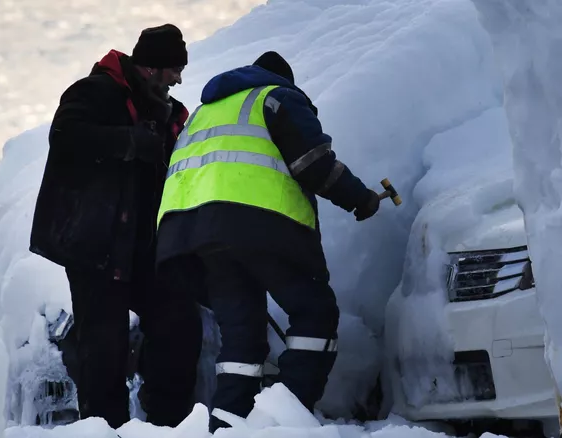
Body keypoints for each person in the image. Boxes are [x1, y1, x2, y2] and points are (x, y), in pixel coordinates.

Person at [155, 51, 380, 430]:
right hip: (259, 223)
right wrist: (361, 198)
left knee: (241, 335)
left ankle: (228, 425)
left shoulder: (204, 112)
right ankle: (285, 419)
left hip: (194, 235)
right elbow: (313, 163)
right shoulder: (277, 97)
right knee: (314, 313)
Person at [29, 24, 190, 428]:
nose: (178, 79)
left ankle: (167, 426)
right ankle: (106, 430)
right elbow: (64, 134)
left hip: (139, 249)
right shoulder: (95, 91)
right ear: (150, 67)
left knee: (178, 319)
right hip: (94, 245)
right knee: (103, 344)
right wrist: (132, 143)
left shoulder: (165, 112)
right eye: (173, 69)